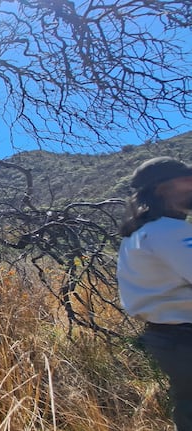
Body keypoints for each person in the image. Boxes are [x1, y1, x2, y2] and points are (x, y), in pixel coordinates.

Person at [117, 156, 192, 431]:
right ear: (162, 189)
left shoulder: (138, 235)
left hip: (169, 338)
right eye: (186, 179)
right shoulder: (168, 232)